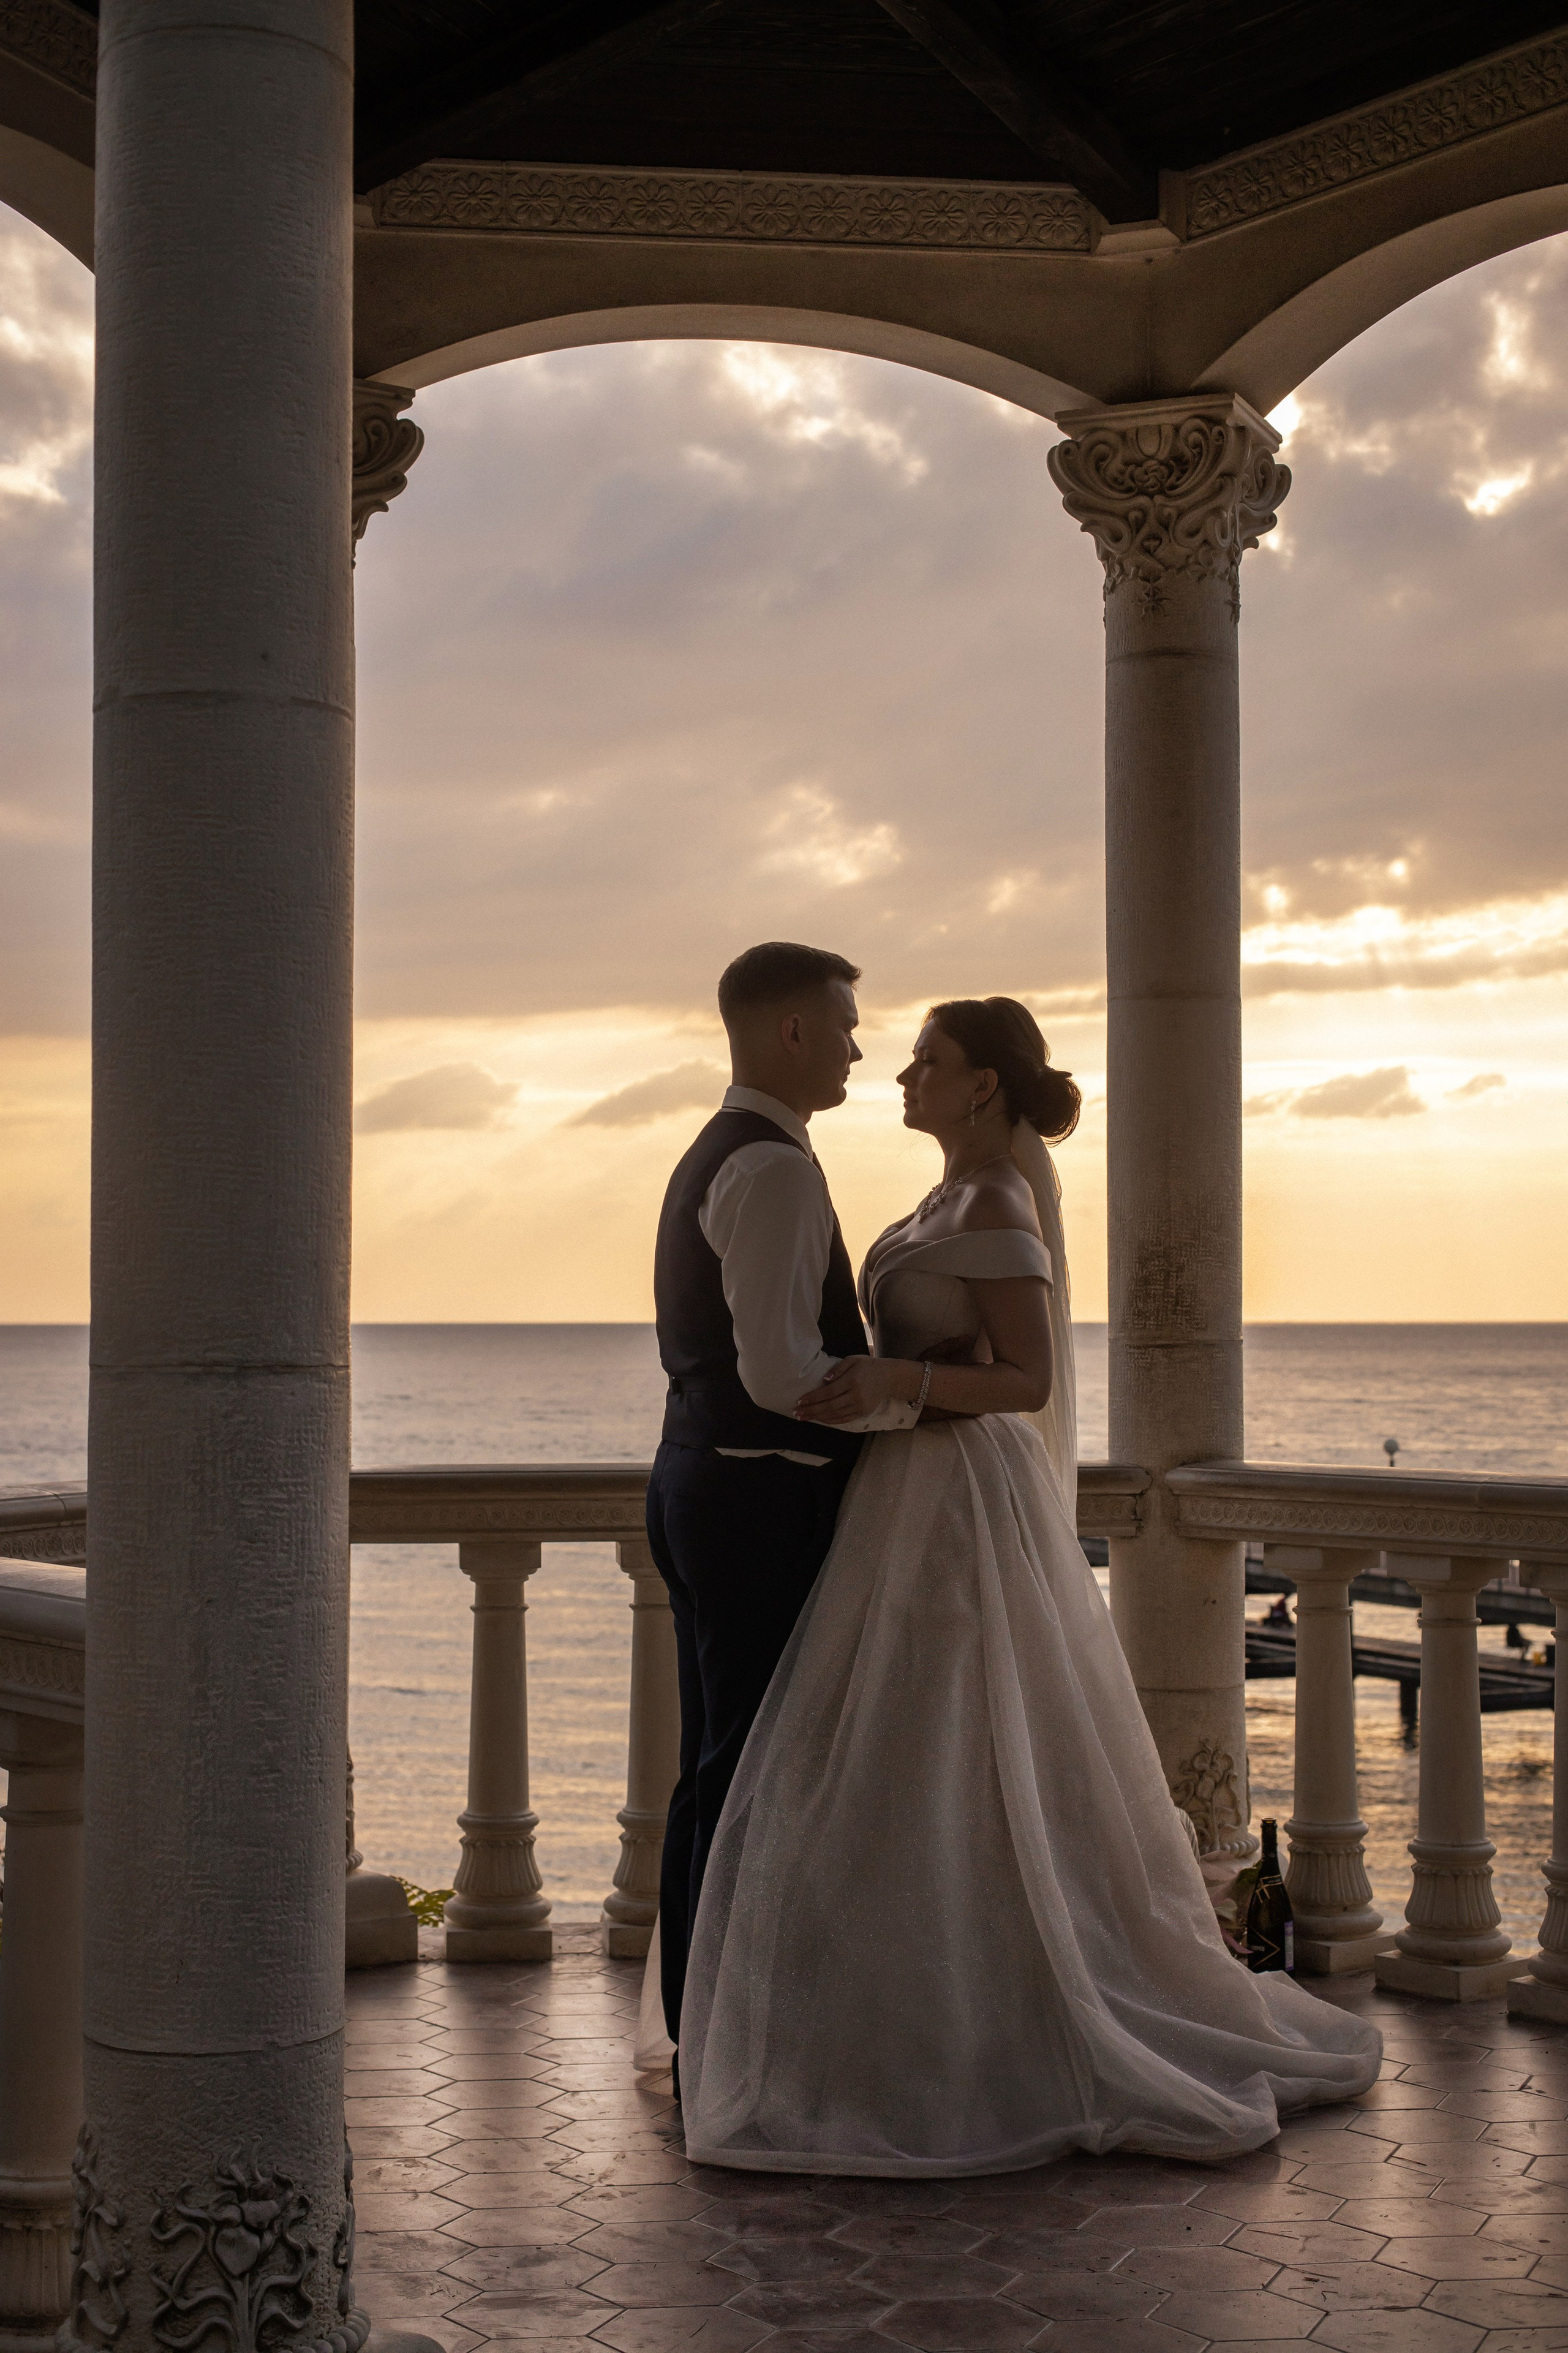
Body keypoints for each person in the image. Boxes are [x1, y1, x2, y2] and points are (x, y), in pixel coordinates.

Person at [673, 994, 1382, 2173]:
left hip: (958, 1499)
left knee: (960, 1742)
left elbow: (1028, 1379)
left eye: (929, 1061)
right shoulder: (940, 1199)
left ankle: (1006, 2021)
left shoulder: (1000, 1199)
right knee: (896, 1759)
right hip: (897, 1493)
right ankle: (900, 2019)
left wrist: (897, 1379)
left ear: (984, 1085)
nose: (904, 1074)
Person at [645, 942, 916, 2088]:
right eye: (845, 1025)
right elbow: (779, 1372)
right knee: (752, 1765)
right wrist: (915, 1406)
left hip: (701, 1482)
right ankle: (729, 2037)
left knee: (714, 1762)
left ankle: (701, 2021)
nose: (858, 1046)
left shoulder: (724, 1151)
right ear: (791, 1030)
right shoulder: (774, 1169)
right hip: (754, 1497)